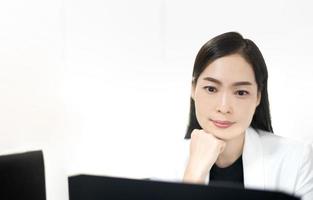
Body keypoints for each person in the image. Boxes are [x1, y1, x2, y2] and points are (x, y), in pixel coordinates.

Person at [180, 32, 313, 200]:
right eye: (211, 89)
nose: (224, 107)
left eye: (241, 92)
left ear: (258, 96)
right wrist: (193, 175)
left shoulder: (296, 159)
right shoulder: (163, 161)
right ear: (193, 89)